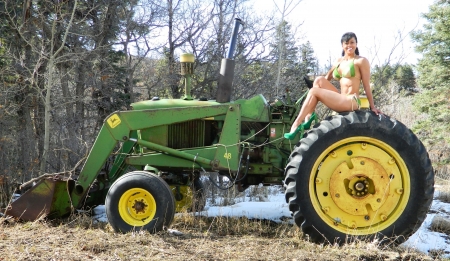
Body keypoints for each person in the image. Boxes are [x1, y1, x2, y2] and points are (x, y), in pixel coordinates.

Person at [284, 32, 382, 139]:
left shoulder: (360, 61)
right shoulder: (339, 62)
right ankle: (309, 116)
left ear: (356, 44)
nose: (350, 45)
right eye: (346, 43)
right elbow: (325, 80)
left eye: (352, 42)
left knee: (314, 91)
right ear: (342, 46)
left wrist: (373, 107)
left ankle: (296, 124)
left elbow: (366, 85)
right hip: (341, 98)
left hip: (351, 101)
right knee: (318, 80)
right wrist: (318, 86)